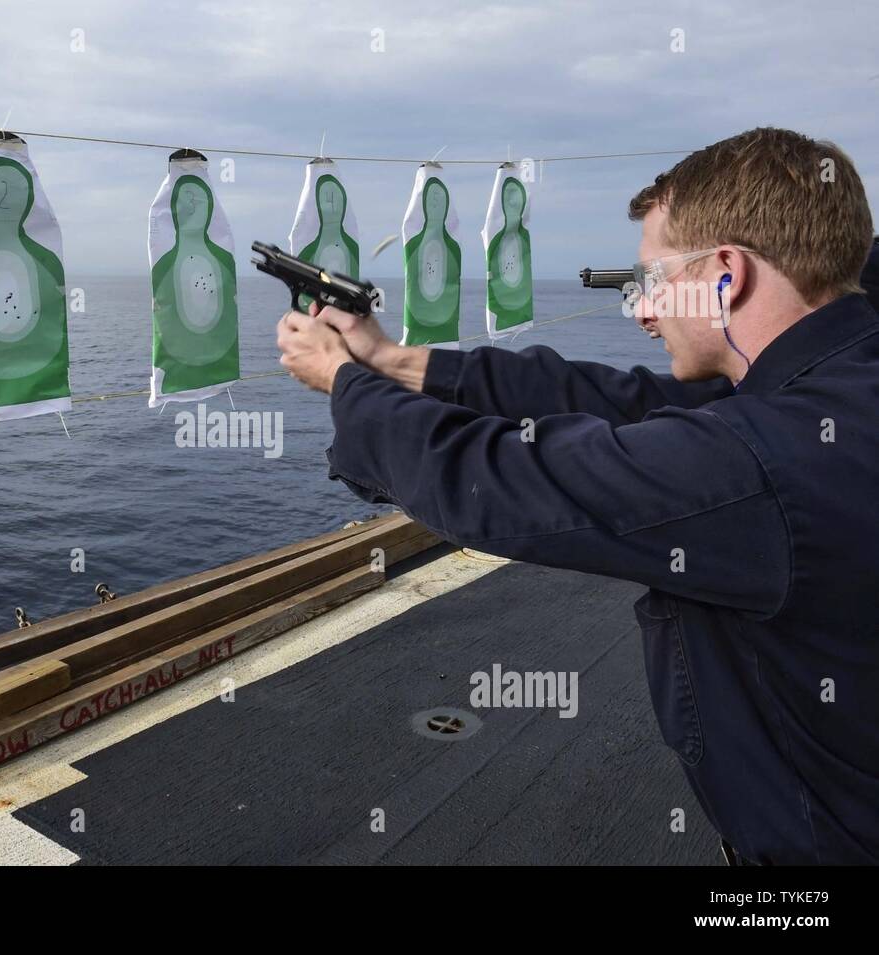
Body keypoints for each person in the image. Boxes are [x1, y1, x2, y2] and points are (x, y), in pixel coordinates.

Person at [276, 127, 878, 865]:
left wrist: (346, 383)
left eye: (655, 279)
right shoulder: (830, 386)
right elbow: (611, 400)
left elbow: (499, 481)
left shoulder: (762, 459)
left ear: (729, 272)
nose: (642, 309)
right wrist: (394, 361)